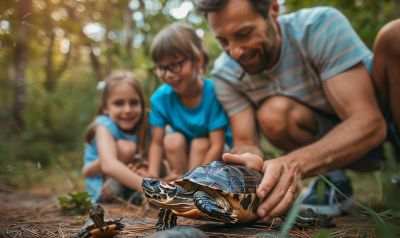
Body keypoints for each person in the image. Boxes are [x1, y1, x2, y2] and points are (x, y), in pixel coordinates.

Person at [192, 0, 400, 219]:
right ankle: (332, 181)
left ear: (273, 9)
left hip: (386, 127)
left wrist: (293, 164)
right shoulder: (226, 73)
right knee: (274, 114)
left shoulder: (318, 27)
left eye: (244, 33)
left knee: (395, 35)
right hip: (338, 151)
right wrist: (247, 165)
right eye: (223, 41)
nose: (234, 52)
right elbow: (246, 142)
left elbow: (371, 123)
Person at [147, 22, 232, 181]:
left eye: (175, 65)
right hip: (184, 154)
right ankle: (181, 188)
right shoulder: (160, 98)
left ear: (198, 59)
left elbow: (217, 145)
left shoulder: (214, 92)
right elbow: (156, 143)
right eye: (162, 68)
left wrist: (196, 179)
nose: (168, 75)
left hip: (216, 157)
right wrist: (152, 176)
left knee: (201, 143)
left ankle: (195, 187)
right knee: (172, 140)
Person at [82, 71, 150, 203]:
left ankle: (131, 193)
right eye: (119, 103)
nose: (127, 110)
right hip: (102, 185)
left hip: (131, 179)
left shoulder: (146, 123)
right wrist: (151, 188)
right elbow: (108, 165)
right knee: (126, 147)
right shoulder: (103, 125)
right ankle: (118, 189)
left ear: (142, 104)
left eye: (134, 102)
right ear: (105, 108)